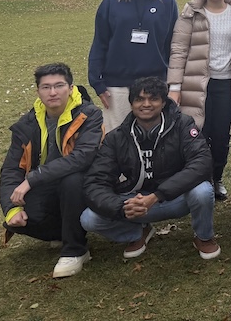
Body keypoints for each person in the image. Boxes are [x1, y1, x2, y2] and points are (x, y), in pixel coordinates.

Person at [81, 77, 220, 260]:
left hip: (174, 197)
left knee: (202, 191)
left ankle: (203, 237)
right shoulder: (116, 137)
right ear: (131, 104)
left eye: (153, 99)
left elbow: (201, 163)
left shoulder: (182, 124)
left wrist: (157, 196)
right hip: (136, 202)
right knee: (89, 219)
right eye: (139, 99)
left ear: (163, 103)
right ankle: (137, 232)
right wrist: (122, 208)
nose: (146, 104)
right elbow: (95, 182)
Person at [0, 63, 104, 278]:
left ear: (71, 87)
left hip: (87, 184)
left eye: (59, 85)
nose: (53, 92)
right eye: (46, 87)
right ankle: (63, 232)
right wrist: (11, 208)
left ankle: (76, 250)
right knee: (21, 220)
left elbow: (82, 158)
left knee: (72, 180)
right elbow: (11, 169)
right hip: (47, 184)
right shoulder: (27, 124)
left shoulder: (90, 115)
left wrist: (33, 179)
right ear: (38, 91)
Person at [167, 0, 231, 201]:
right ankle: (197, 180)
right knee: (196, 133)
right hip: (197, 84)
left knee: (221, 135)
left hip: (227, 84)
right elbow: (179, 50)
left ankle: (217, 177)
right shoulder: (191, 13)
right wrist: (174, 87)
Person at [88, 0, 178, 133]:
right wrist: (97, 82)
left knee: (153, 138)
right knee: (117, 138)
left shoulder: (167, 2)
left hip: (154, 84)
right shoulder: (111, 2)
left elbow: (173, 45)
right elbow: (100, 43)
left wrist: (174, 83)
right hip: (117, 85)